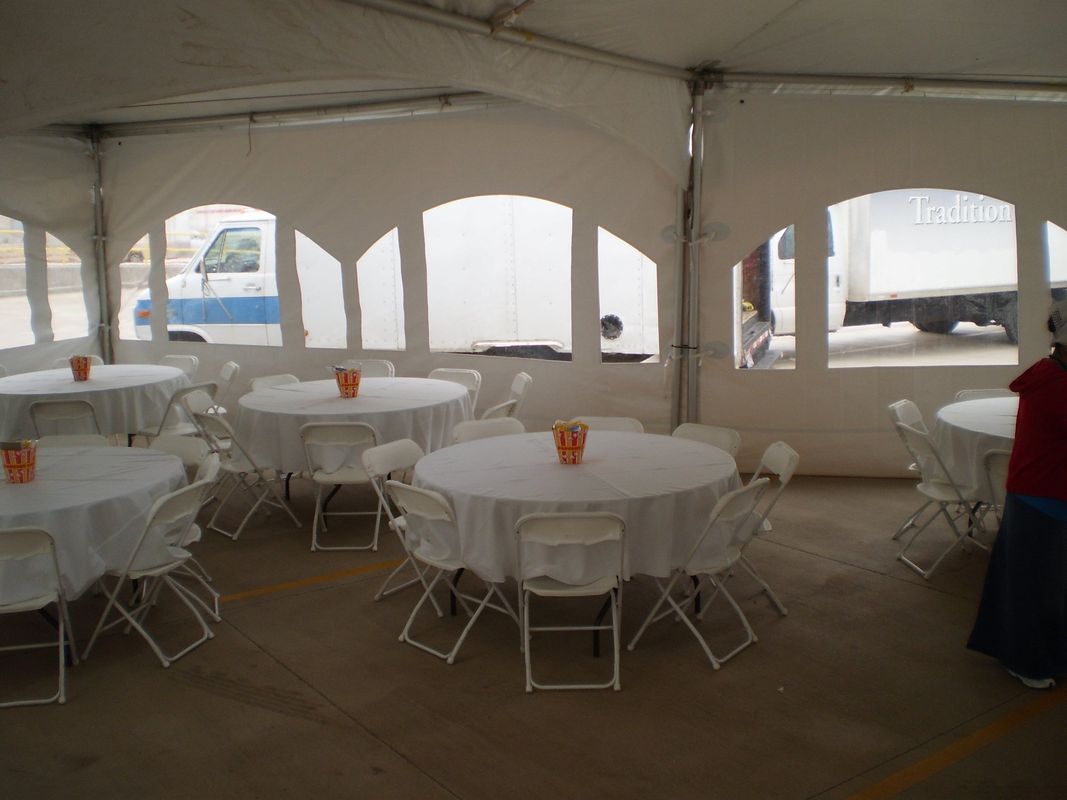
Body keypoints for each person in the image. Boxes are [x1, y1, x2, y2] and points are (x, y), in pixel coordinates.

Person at [967, 298, 1067, 689]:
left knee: (1037, 583)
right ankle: (1025, 659)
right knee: (1035, 588)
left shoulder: (1050, 374)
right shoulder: (1055, 387)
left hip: (1040, 494)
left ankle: (1039, 651)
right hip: (1043, 497)